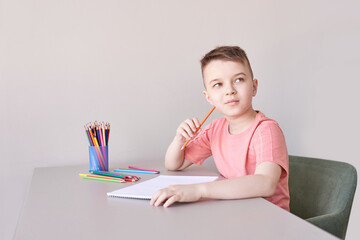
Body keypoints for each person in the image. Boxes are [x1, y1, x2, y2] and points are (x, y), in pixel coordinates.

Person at [150, 46, 289, 211]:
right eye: (218, 84)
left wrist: (199, 190)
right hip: (234, 212)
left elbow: (265, 183)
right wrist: (179, 139)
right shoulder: (215, 130)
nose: (229, 90)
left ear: (254, 87)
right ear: (208, 97)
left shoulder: (266, 130)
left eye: (238, 80)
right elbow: (174, 164)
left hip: (269, 219)